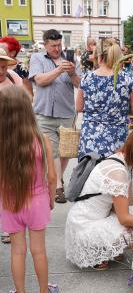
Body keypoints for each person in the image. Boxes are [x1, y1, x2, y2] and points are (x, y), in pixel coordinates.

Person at [65, 125, 133, 270]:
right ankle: (100, 253)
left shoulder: (120, 160)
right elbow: (124, 217)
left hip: (93, 217)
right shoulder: (118, 172)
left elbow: (124, 207)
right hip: (84, 226)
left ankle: (111, 249)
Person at [0, 87, 58, 293]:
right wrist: (51, 198)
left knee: (17, 251)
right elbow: (52, 176)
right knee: (38, 250)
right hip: (38, 200)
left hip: (10, 201)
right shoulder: (41, 140)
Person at [29, 29, 81, 204]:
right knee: (53, 151)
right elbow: (40, 80)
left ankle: (58, 178)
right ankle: (58, 186)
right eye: (53, 46)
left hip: (66, 112)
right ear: (45, 44)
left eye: (59, 45)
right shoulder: (37, 58)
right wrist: (59, 70)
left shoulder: (71, 59)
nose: (57, 49)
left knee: (65, 152)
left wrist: (72, 72)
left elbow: (80, 84)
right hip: (43, 113)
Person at [76, 38, 133, 160]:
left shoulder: (86, 78)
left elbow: (79, 107)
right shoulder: (127, 79)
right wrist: (120, 110)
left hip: (90, 139)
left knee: (89, 177)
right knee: (115, 175)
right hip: (116, 139)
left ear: (99, 57)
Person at [0, 48, 23, 245]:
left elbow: (24, 105)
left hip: (13, 138)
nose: (0, 70)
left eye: (3, 66)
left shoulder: (14, 79)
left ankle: (9, 226)